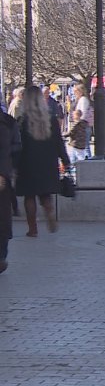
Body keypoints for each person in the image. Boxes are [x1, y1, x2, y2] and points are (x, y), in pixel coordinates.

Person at [15, 86, 70, 237]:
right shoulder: (51, 120)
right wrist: (65, 160)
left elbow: (18, 145)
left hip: (28, 162)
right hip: (48, 162)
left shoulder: (23, 121)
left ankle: (32, 229)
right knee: (45, 194)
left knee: (29, 196)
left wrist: (14, 165)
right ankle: (49, 210)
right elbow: (59, 142)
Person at [0, 110, 19, 273]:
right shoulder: (9, 122)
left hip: (3, 177)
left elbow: (14, 147)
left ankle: (1, 256)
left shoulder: (8, 123)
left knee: (3, 217)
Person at [73, 84, 93, 159]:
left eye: (76, 91)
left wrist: (79, 123)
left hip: (83, 126)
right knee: (79, 146)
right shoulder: (81, 99)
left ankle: (88, 161)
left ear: (80, 91)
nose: (74, 93)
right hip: (83, 125)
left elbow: (83, 113)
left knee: (85, 146)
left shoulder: (83, 100)